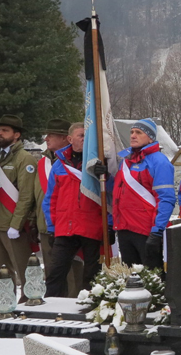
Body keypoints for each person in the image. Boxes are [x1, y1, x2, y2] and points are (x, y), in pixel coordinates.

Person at [43, 123, 106, 296]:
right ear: (70, 139)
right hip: (65, 227)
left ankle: (90, 305)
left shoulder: (99, 163)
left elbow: (109, 197)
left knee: (92, 275)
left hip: (91, 226)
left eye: (87, 136)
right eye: (81, 136)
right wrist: (52, 227)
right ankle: (51, 304)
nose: (85, 139)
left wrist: (108, 223)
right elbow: (50, 199)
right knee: (55, 272)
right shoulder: (59, 165)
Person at [112, 119, 175, 270]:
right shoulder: (125, 162)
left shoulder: (159, 161)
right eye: (132, 132)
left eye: (139, 132)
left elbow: (166, 198)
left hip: (146, 230)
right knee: (130, 278)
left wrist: (157, 231)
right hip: (124, 228)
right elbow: (117, 195)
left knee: (151, 277)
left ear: (151, 138)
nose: (133, 135)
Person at [0, 114, 37, 293]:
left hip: (13, 224)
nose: (0, 133)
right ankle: (5, 304)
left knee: (24, 271)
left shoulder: (24, 159)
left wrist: (16, 224)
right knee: (1, 275)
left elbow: (26, 196)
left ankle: (30, 302)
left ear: (17, 135)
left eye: (5, 130)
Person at [35, 119, 83, 296]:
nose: (46, 138)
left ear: (65, 138)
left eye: (51, 135)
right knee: (54, 273)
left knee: (76, 274)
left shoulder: (83, 161)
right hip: (52, 226)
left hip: (78, 226)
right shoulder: (44, 163)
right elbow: (41, 197)